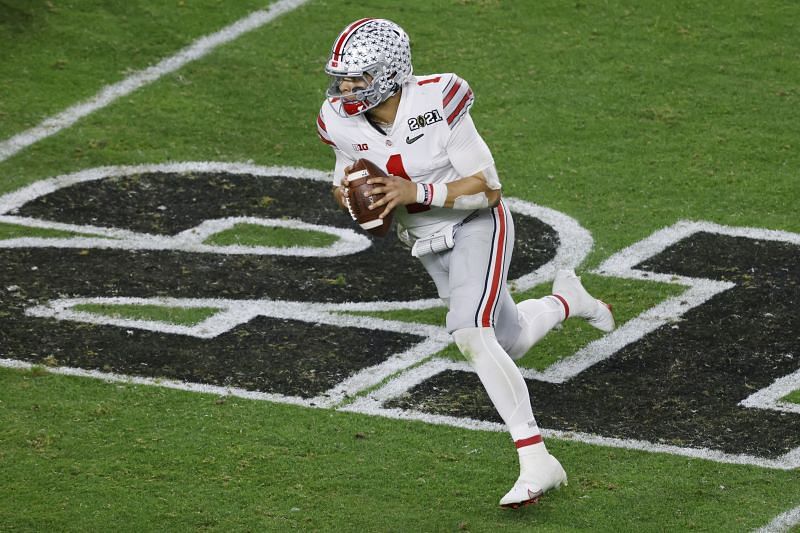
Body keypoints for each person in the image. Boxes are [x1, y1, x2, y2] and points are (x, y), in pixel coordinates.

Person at [316, 18, 615, 509]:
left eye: (359, 77)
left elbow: (488, 187)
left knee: (469, 332)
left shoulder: (438, 99)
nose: (346, 87)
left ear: (390, 73)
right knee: (508, 341)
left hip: (478, 223)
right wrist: (352, 194)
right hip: (425, 240)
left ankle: (537, 458)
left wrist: (416, 191)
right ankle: (567, 301)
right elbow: (343, 175)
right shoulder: (337, 118)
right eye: (343, 77)